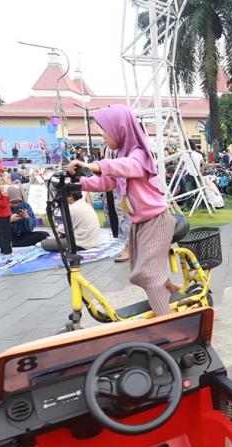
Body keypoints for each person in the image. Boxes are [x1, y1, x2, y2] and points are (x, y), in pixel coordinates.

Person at [68, 104, 178, 317]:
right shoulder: (121, 155)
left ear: (120, 128)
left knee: (147, 274)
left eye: (105, 131)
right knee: (138, 273)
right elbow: (107, 182)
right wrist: (77, 184)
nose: (103, 136)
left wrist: (94, 165)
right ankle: (167, 288)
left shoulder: (139, 155)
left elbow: (127, 167)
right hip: (140, 223)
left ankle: (169, 325)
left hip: (156, 221)